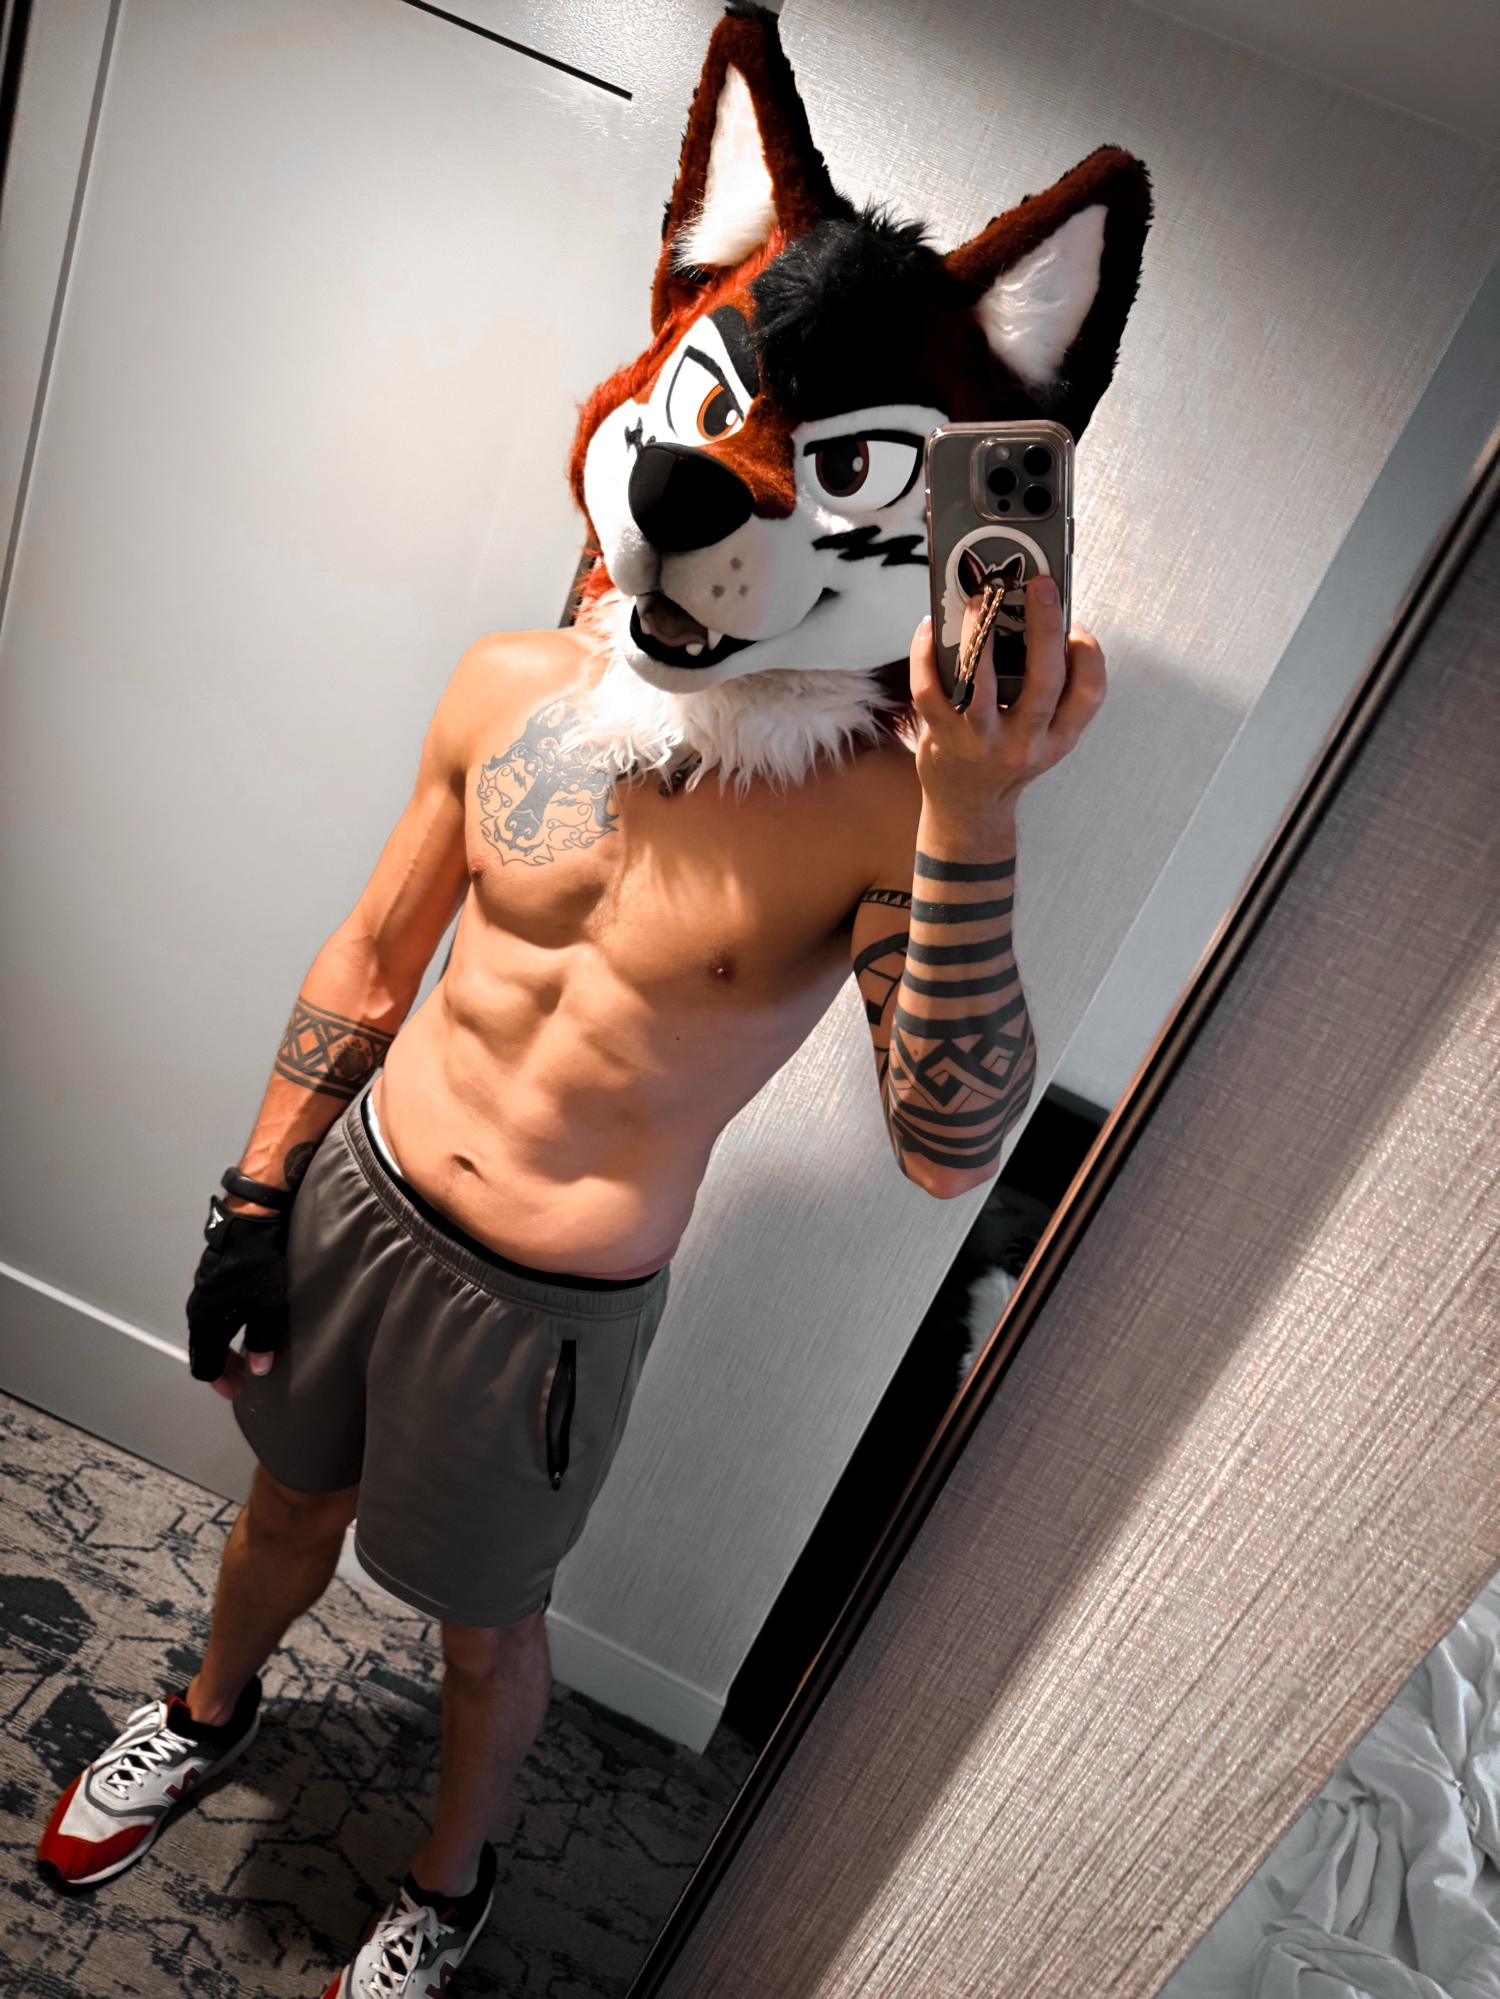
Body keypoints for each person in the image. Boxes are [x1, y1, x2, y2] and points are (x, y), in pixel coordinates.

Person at [33, 8, 1142, 1990]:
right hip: (362, 1196)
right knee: (280, 1505)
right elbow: (372, 953)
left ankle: (447, 1887)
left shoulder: (883, 811)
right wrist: (255, 1186)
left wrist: (978, 808)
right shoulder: (510, 682)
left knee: (484, 1638)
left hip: (545, 1310)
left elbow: (946, 1141)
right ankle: (203, 1714)